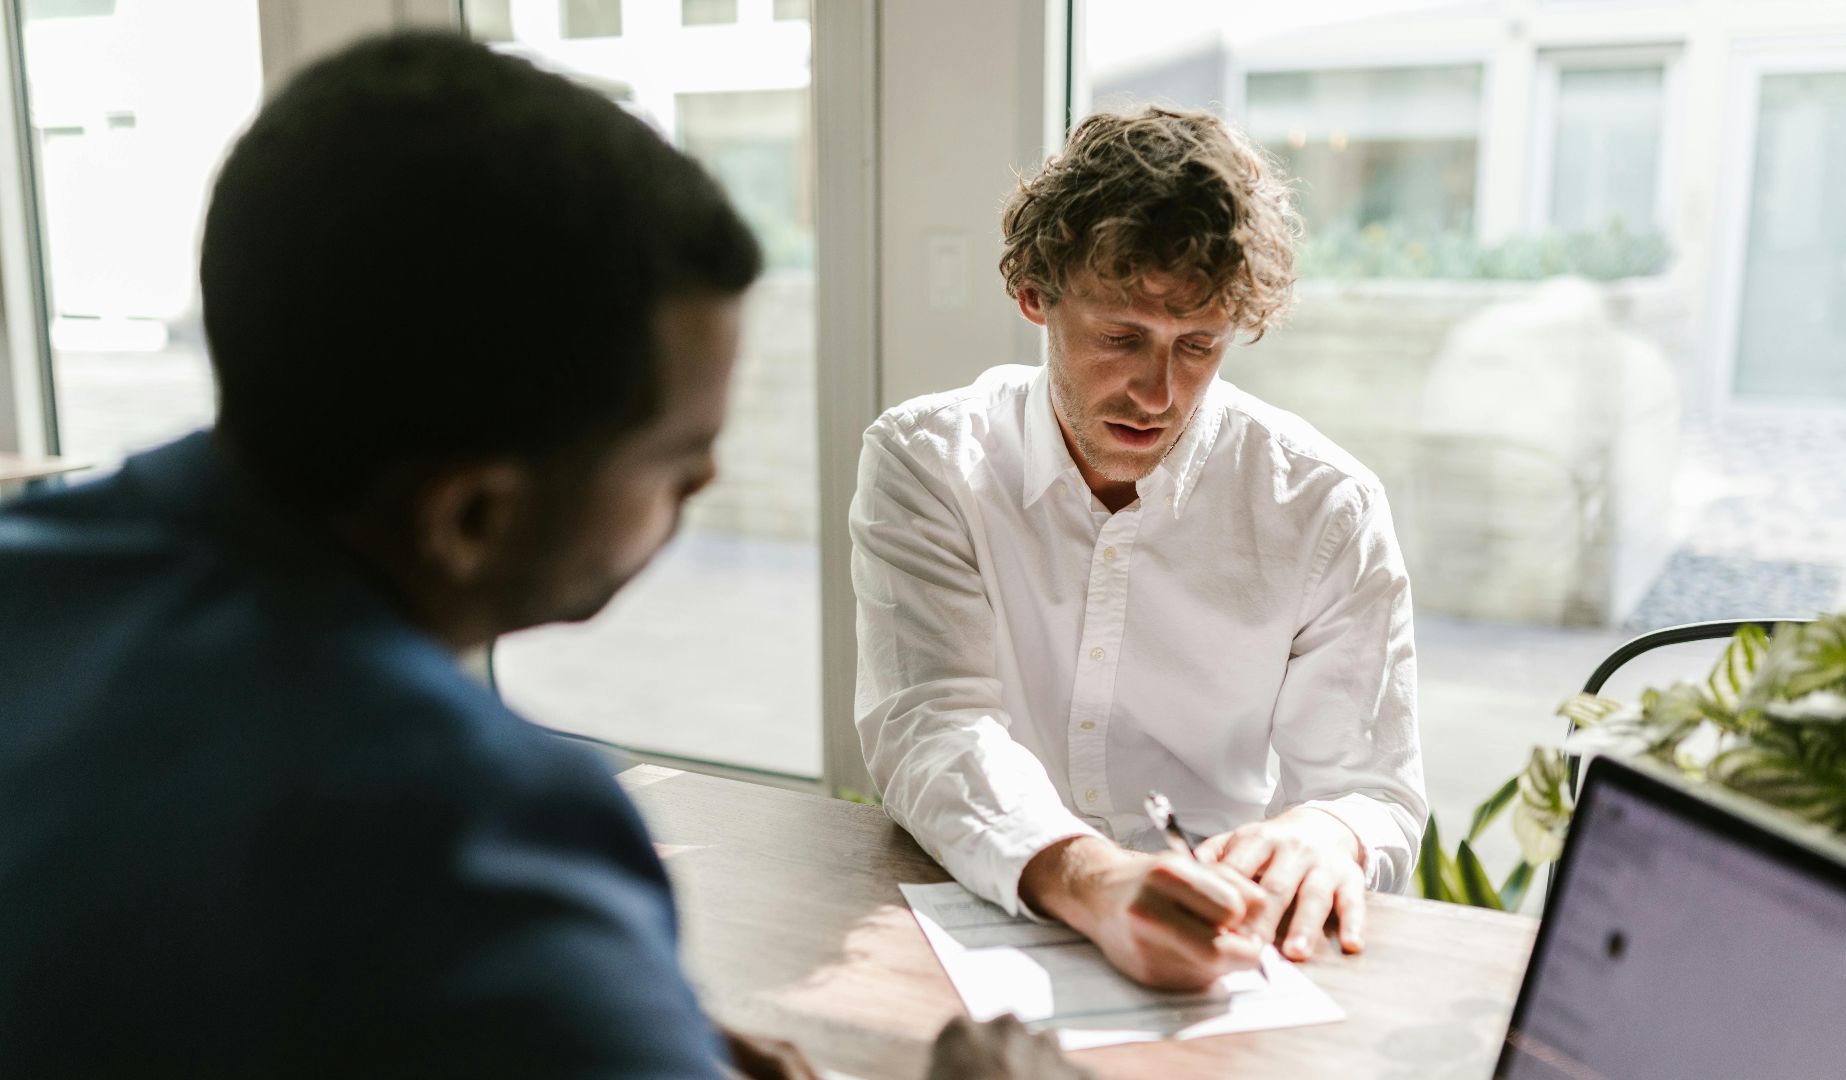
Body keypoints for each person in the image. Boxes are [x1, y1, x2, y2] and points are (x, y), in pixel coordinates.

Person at [0, 32, 1078, 1079]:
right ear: (472, 517)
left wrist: (577, 1014)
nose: (705, 487)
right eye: (678, 456)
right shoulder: (479, 838)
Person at [851, 105, 1428, 990]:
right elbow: (931, 723)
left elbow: (1373, 791)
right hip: (975, 916)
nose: (1159, 392)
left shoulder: (1324, 508)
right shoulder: (930, 463)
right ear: (1035, 296)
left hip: (1224, 941)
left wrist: (1328, 832)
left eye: (1198, 347)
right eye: (1121, 338)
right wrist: (1092, 877)